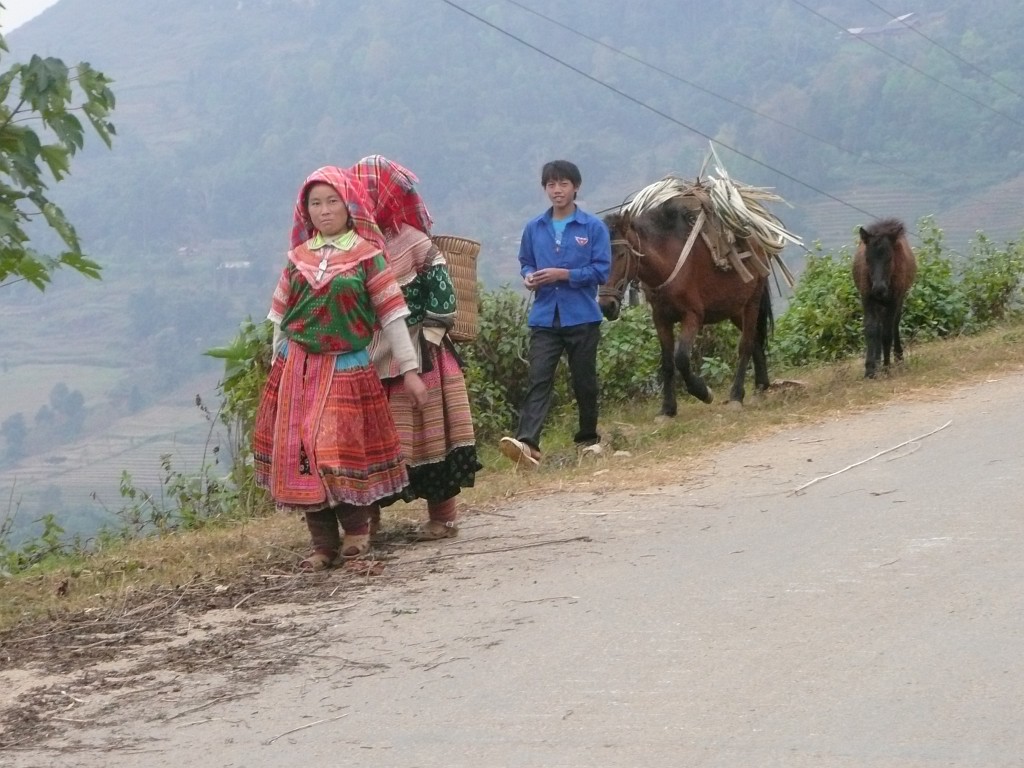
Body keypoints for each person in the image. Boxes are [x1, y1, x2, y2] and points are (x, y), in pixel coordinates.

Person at [291, 155, 482, 540]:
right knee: (364, 444)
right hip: (362, 361)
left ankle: (443, 517)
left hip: (420, 356)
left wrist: (418, 351)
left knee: (432, 438)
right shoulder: (353, 248)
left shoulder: (416, 244)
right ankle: (367, 520)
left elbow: (442, 303)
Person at [253, 166, 427, 570]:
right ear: (305, 211)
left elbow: (392, 315)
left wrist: (410, 370)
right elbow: (280, 318)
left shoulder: (368, 256)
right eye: (316, 203)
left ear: (350, 207)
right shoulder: (298, 260)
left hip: (346, 368)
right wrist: (276, 368)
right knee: (302, 454)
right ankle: (322, 543)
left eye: (333, 201)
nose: (325, 210)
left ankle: (357, 534)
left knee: (335, 451)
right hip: (297, 369)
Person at [499, 160, 611, 468]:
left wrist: (564, 274)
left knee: (584, 381)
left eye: (563, 184)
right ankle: (528, 444)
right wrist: (528, 276)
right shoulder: (535, 228)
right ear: (544, 189)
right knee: (538, 379)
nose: (557, 190)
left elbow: (601, 271)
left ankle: (587, 438)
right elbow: (525, 261)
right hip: (545, 318)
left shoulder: (592, 227)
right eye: (551, 184)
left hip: (582, 317)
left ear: (576, 187)